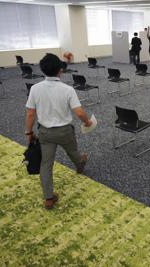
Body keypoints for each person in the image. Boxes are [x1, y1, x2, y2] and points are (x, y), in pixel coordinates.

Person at [25, 53, 93, 210]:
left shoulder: (35, 89)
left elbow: (30, 114)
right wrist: (88, 122)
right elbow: (80, 113)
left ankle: (49, 198)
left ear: (43, 70)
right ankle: (79, 164)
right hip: (64, 132)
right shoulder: (67, 89)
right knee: (73, 151)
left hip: (45, 133)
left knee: (46, 164)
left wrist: (28, 133)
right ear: (60, 70)